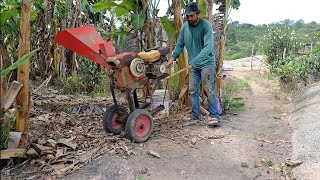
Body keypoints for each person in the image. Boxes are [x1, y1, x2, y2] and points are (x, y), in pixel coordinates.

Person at [167, 2, 221, 126]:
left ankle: (215, 117)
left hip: (206, 63)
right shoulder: (185, 27)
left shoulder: (206, 26)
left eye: (192, 16)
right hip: (193, 65)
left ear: (197, 14)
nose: (189, 18)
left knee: (207, 89)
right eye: (187, 16)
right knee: (192, 90)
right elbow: (179, 45)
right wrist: (172, 58)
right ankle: (195, 115)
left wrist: (194, 61)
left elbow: (208, 48)